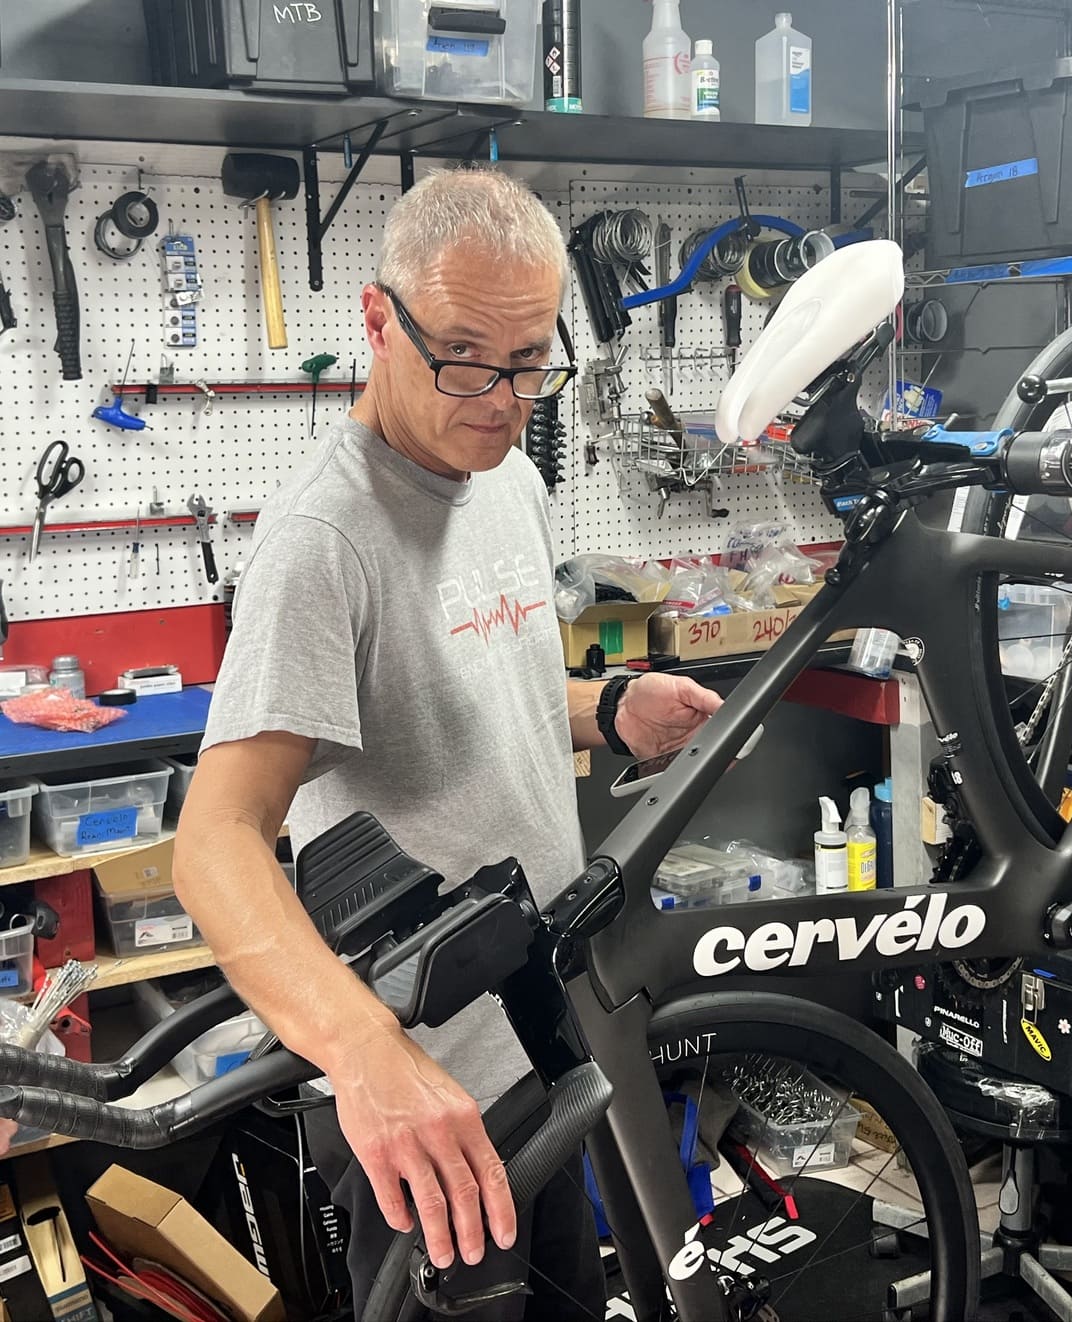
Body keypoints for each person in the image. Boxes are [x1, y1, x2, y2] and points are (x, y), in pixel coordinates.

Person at [174, 167, 723, 1319]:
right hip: (422, 1098)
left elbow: (475, 688)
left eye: (529, 361)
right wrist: (365, 1053)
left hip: (540, 1033)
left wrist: (611, 706)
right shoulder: (325, 539)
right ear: (379, 322)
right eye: (467, 358)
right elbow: (215, 841)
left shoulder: (507, 478)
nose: (504, 399)